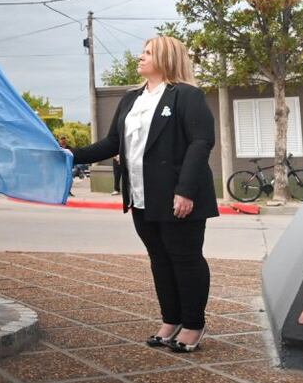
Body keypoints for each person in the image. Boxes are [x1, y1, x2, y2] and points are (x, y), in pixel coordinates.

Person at [70, 36, 217, 353]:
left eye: (148, 53)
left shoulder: (187, 96)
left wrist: (186, 190)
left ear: (165, 58)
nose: (140, 57)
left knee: (185, 258)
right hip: (140, 195)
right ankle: (171, 319)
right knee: (160, 259)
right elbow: (112, 143)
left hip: (177, 194)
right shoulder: (131, 99)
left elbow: (201, 142)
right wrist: (72, 155)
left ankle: (193, 324)